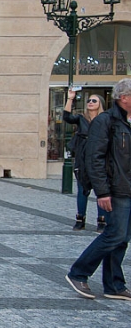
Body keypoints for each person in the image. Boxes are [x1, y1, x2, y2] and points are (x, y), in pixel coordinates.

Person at [66, 78, 131, 301]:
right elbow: (95, 159)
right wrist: (102, 192)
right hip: (115, 189)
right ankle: (78, 272)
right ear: (124, 98)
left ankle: (114, 285)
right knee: (114, 235)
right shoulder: (106, 122)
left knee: (122, 238)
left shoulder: (127, 122)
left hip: (128, 187)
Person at [64, 90, 107, 231]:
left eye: (94, 101)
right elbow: (67, 117)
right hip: (83, 157)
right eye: (89, 100)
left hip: (99, 157)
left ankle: (102, 221)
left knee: (101, 190)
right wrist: (70, 99)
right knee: (82, 190)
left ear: (100, 104)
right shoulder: (82, 118)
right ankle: (80, 219)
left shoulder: (106, 119)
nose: (90, 102)